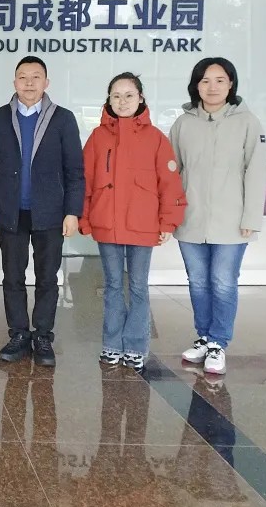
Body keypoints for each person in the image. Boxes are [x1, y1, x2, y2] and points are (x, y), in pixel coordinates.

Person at [79, 72, 186, 371]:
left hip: (143, 224)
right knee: (113, 285)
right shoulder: (98, 137)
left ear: (141, 98)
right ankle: (112, 345)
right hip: (108, 223)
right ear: (108, 100)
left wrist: (167, 222)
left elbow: (169, 183)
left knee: (138, 286)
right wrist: (84, 217)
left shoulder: (156, 138)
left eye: (129, 95)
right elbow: (84, 181)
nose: (122, 101)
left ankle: (136, 346)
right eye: (116, 96)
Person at [0, 56, 84, 367]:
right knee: (12, 276)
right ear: (14, 82)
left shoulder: (63, 119)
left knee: (47, 277)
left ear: (46, 82)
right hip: (10, 211)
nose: (29, 83)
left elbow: (75, 170)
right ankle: (18, 334)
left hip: (50, 212)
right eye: (23, 77)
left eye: (36, 76)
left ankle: (42, 335)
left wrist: (72, 211)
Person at [170, 57, 266, 376]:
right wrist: (170, 215)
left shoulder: (247, 122)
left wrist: (251, 217)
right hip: (191, 219)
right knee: (198, 282)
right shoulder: (183, 124)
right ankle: (204, 337)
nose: (212, 87)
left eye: (220, 80)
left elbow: (255, 171)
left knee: (223, 282)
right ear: (196, 85)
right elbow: (172, 173)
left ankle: (218, 343)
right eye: (205, 80)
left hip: (231, 221)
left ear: (231, 84)